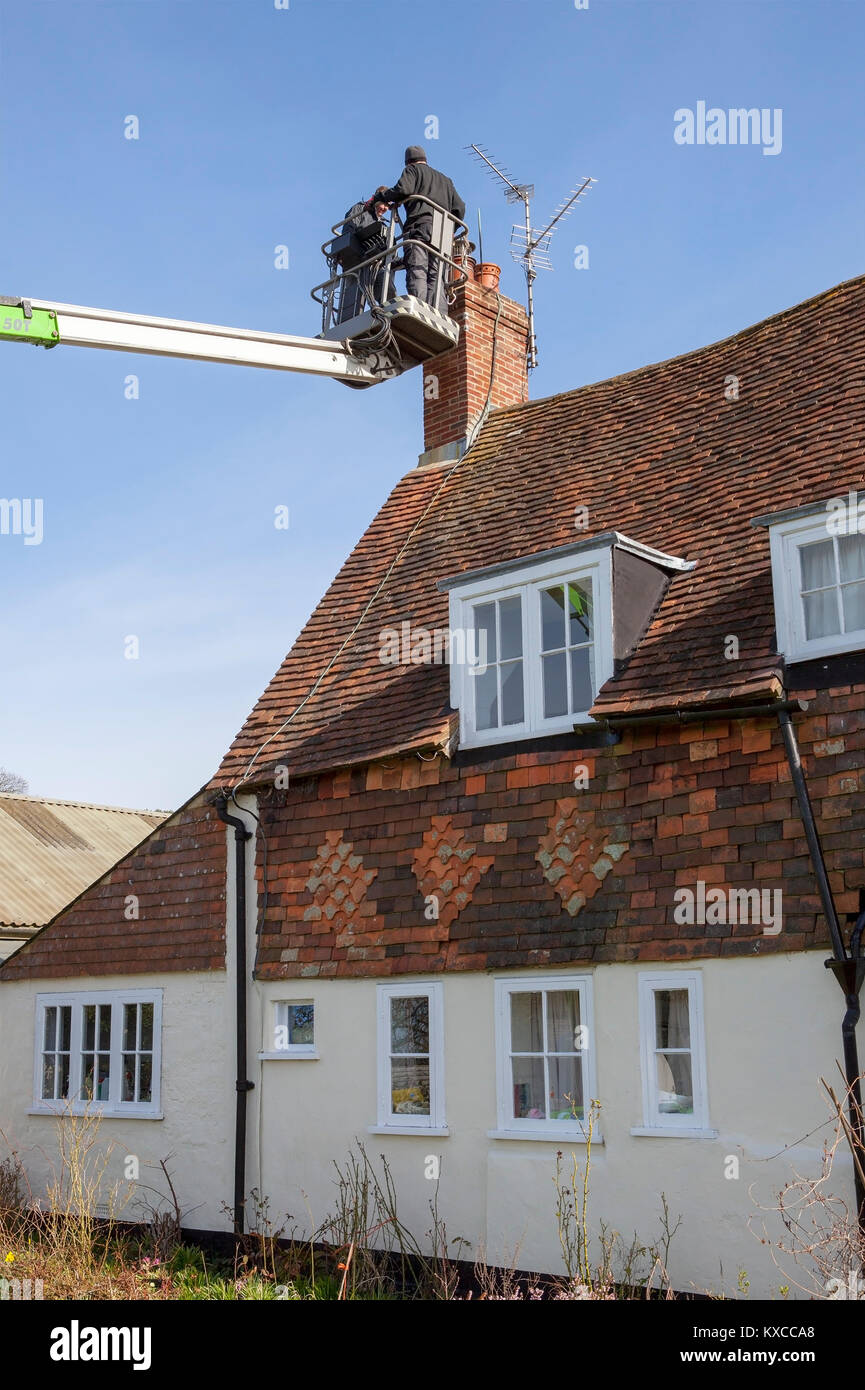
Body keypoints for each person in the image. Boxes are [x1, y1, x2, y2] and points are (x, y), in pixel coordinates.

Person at [372, 146, 465, 311]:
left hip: (419, 226)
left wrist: (382, 197)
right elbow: (460, 207)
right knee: (437, 276)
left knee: (418, 270)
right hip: (442, 230)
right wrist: (452, 229)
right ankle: (438, 312)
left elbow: (403, 189)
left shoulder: (413, 170)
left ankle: (420, 311)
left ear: (408, 163)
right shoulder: (446, 180)